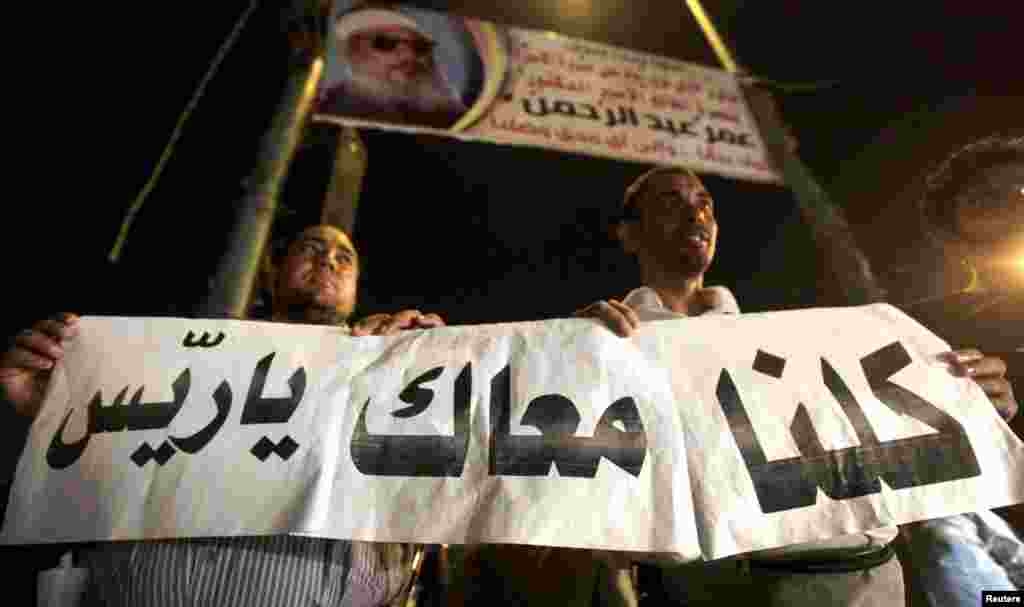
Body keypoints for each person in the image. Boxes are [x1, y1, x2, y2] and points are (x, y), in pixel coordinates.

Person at [574, 165, 1019, 606]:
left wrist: (969, 408)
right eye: (672, 202)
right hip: (724, 587)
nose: (696, 216)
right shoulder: (600, 342)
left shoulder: (788, 347)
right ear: (628, 235)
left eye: (705, 206)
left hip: (866, 580)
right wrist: (566, 359)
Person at [0, 224, 444, 606]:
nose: (328, 261)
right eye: (311, 248)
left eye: (344, 257)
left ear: (356, 286)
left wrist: (440, 374)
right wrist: (47, 412)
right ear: (273, 269)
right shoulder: (179, 364)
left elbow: (437, 494)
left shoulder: (385, 368)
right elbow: (94, 473)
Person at [317, 7, 469, 129]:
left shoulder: (456, 116)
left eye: (420, 47)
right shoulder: (328, 113)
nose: (409, 56)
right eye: (387, 44)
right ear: (355, 55)